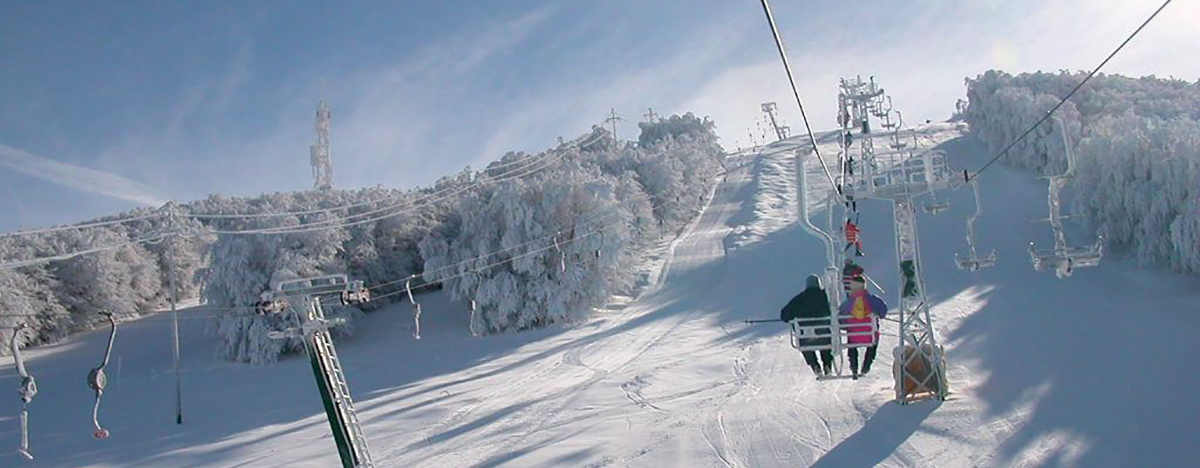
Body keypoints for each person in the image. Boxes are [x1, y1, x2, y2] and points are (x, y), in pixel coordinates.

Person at [780, 275, 834, 377]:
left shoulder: (799, 299)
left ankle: (814, 365)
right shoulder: (825, 297)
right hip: (824, 336)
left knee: (805, 346)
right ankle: (827, 365)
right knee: (825, 343)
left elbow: (784, 315)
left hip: (805, 337)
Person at [840, 276, 888, 379]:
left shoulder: (848, 303)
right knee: (873, 344)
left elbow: (841, 317)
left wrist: (846, 326)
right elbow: (883, 311)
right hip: (870, 335)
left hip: (853, 336)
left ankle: (854, 368)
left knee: (852, 344)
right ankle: (866, 367)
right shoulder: (872, 299)